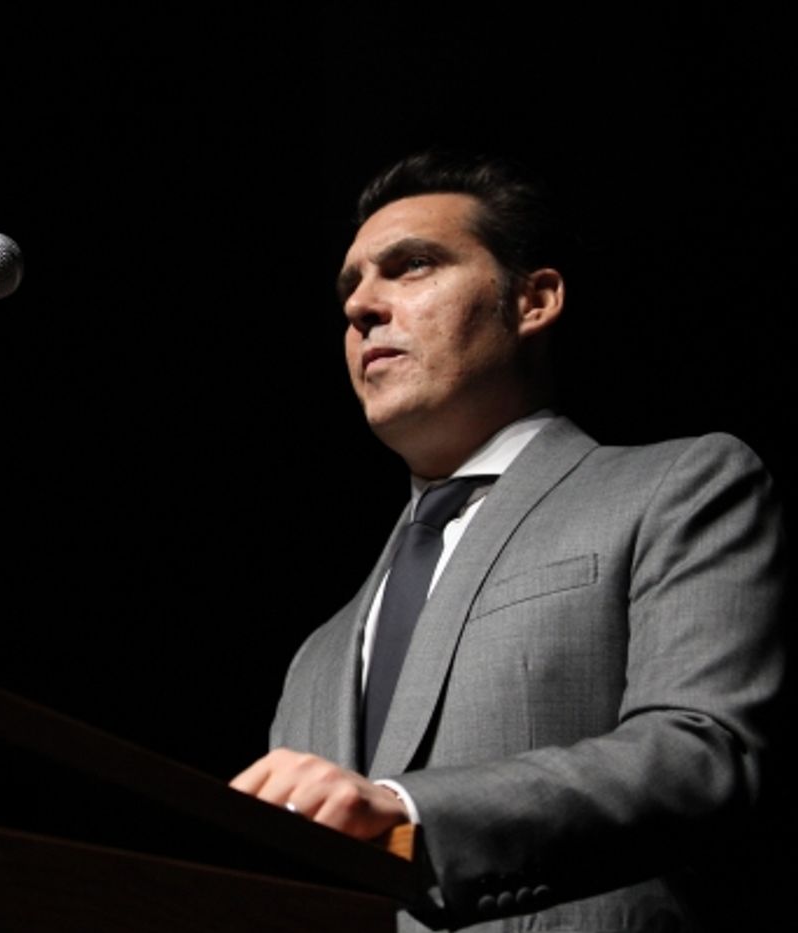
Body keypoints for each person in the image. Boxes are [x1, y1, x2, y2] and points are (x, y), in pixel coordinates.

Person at [230, 151, 787, 931]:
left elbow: (705, 755)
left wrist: (408, 808)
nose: (362, 306)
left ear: (534, 299)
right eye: (350, 287)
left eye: (411, 266)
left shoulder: (681, 484)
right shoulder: (315, 658)